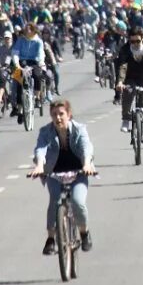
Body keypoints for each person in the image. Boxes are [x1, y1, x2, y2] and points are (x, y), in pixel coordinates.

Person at [29, 99, 95, 255]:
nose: (58, 118)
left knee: (78, 202)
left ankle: (84, 233)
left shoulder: (79, 129)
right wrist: (39, 166)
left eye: (61, 114)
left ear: (69, 114)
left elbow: (87, 147)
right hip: (54, 172)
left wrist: (86, 164)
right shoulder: (46, 131)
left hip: (79, 171)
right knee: (55, 200)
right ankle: (51, 239)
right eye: (54, 115)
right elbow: (40, 149)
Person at [116, 26, 143, 153]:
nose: (135, 44)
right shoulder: (125, 49)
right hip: (129, 79)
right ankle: (126, 118)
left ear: (142, 39)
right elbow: (122, 66)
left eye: (137, 41)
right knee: (128, 92)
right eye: (132, 41)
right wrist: (120, 81)